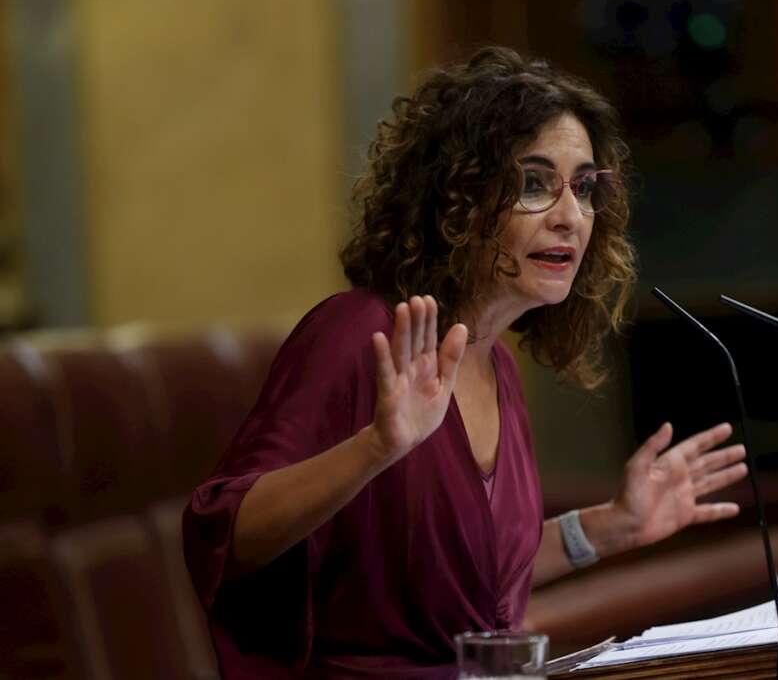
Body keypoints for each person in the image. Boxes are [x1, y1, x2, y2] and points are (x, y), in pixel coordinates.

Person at [183, 46, 748, 679]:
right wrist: (375, 447)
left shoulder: (498, 366)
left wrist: (612, 526)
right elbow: (226, 537)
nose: (570, 217)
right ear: (458, 199)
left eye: (584, 189)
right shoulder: (360, 332)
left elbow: (476, 583)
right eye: (534, 184)